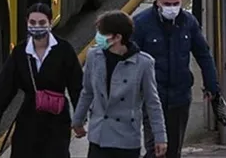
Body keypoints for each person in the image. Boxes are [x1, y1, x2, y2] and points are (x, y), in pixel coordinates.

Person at [133, 0, 219, 158]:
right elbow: (130, 60)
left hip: (179, 97)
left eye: (176, 4)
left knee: (174, 149)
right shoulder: (141, 24)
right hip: (152, 98)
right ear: (157, 2)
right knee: (155, 148)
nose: (172, 8)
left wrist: (212, 85)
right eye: (167, 4)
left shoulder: (188, 22)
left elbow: (203, 54)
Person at [0, 3, 84, 157]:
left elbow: (76, 86)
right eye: (33, 23)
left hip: (57, 121)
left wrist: (79, 119)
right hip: (28, 119)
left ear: (50, 23)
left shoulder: (64, 50)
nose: (37, 26)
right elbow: (6, 86)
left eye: (42, 23)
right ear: (27, 23)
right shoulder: (20, 52)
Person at [72, 10, 168, 158]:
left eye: (102, 33)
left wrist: (160, 137)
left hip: (126, 140)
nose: (98, 37)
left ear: (117, 37)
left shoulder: (143, 63)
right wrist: (78, 120)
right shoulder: (94, 56)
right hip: (99, 137)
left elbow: (152, 103)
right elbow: (87, 92)